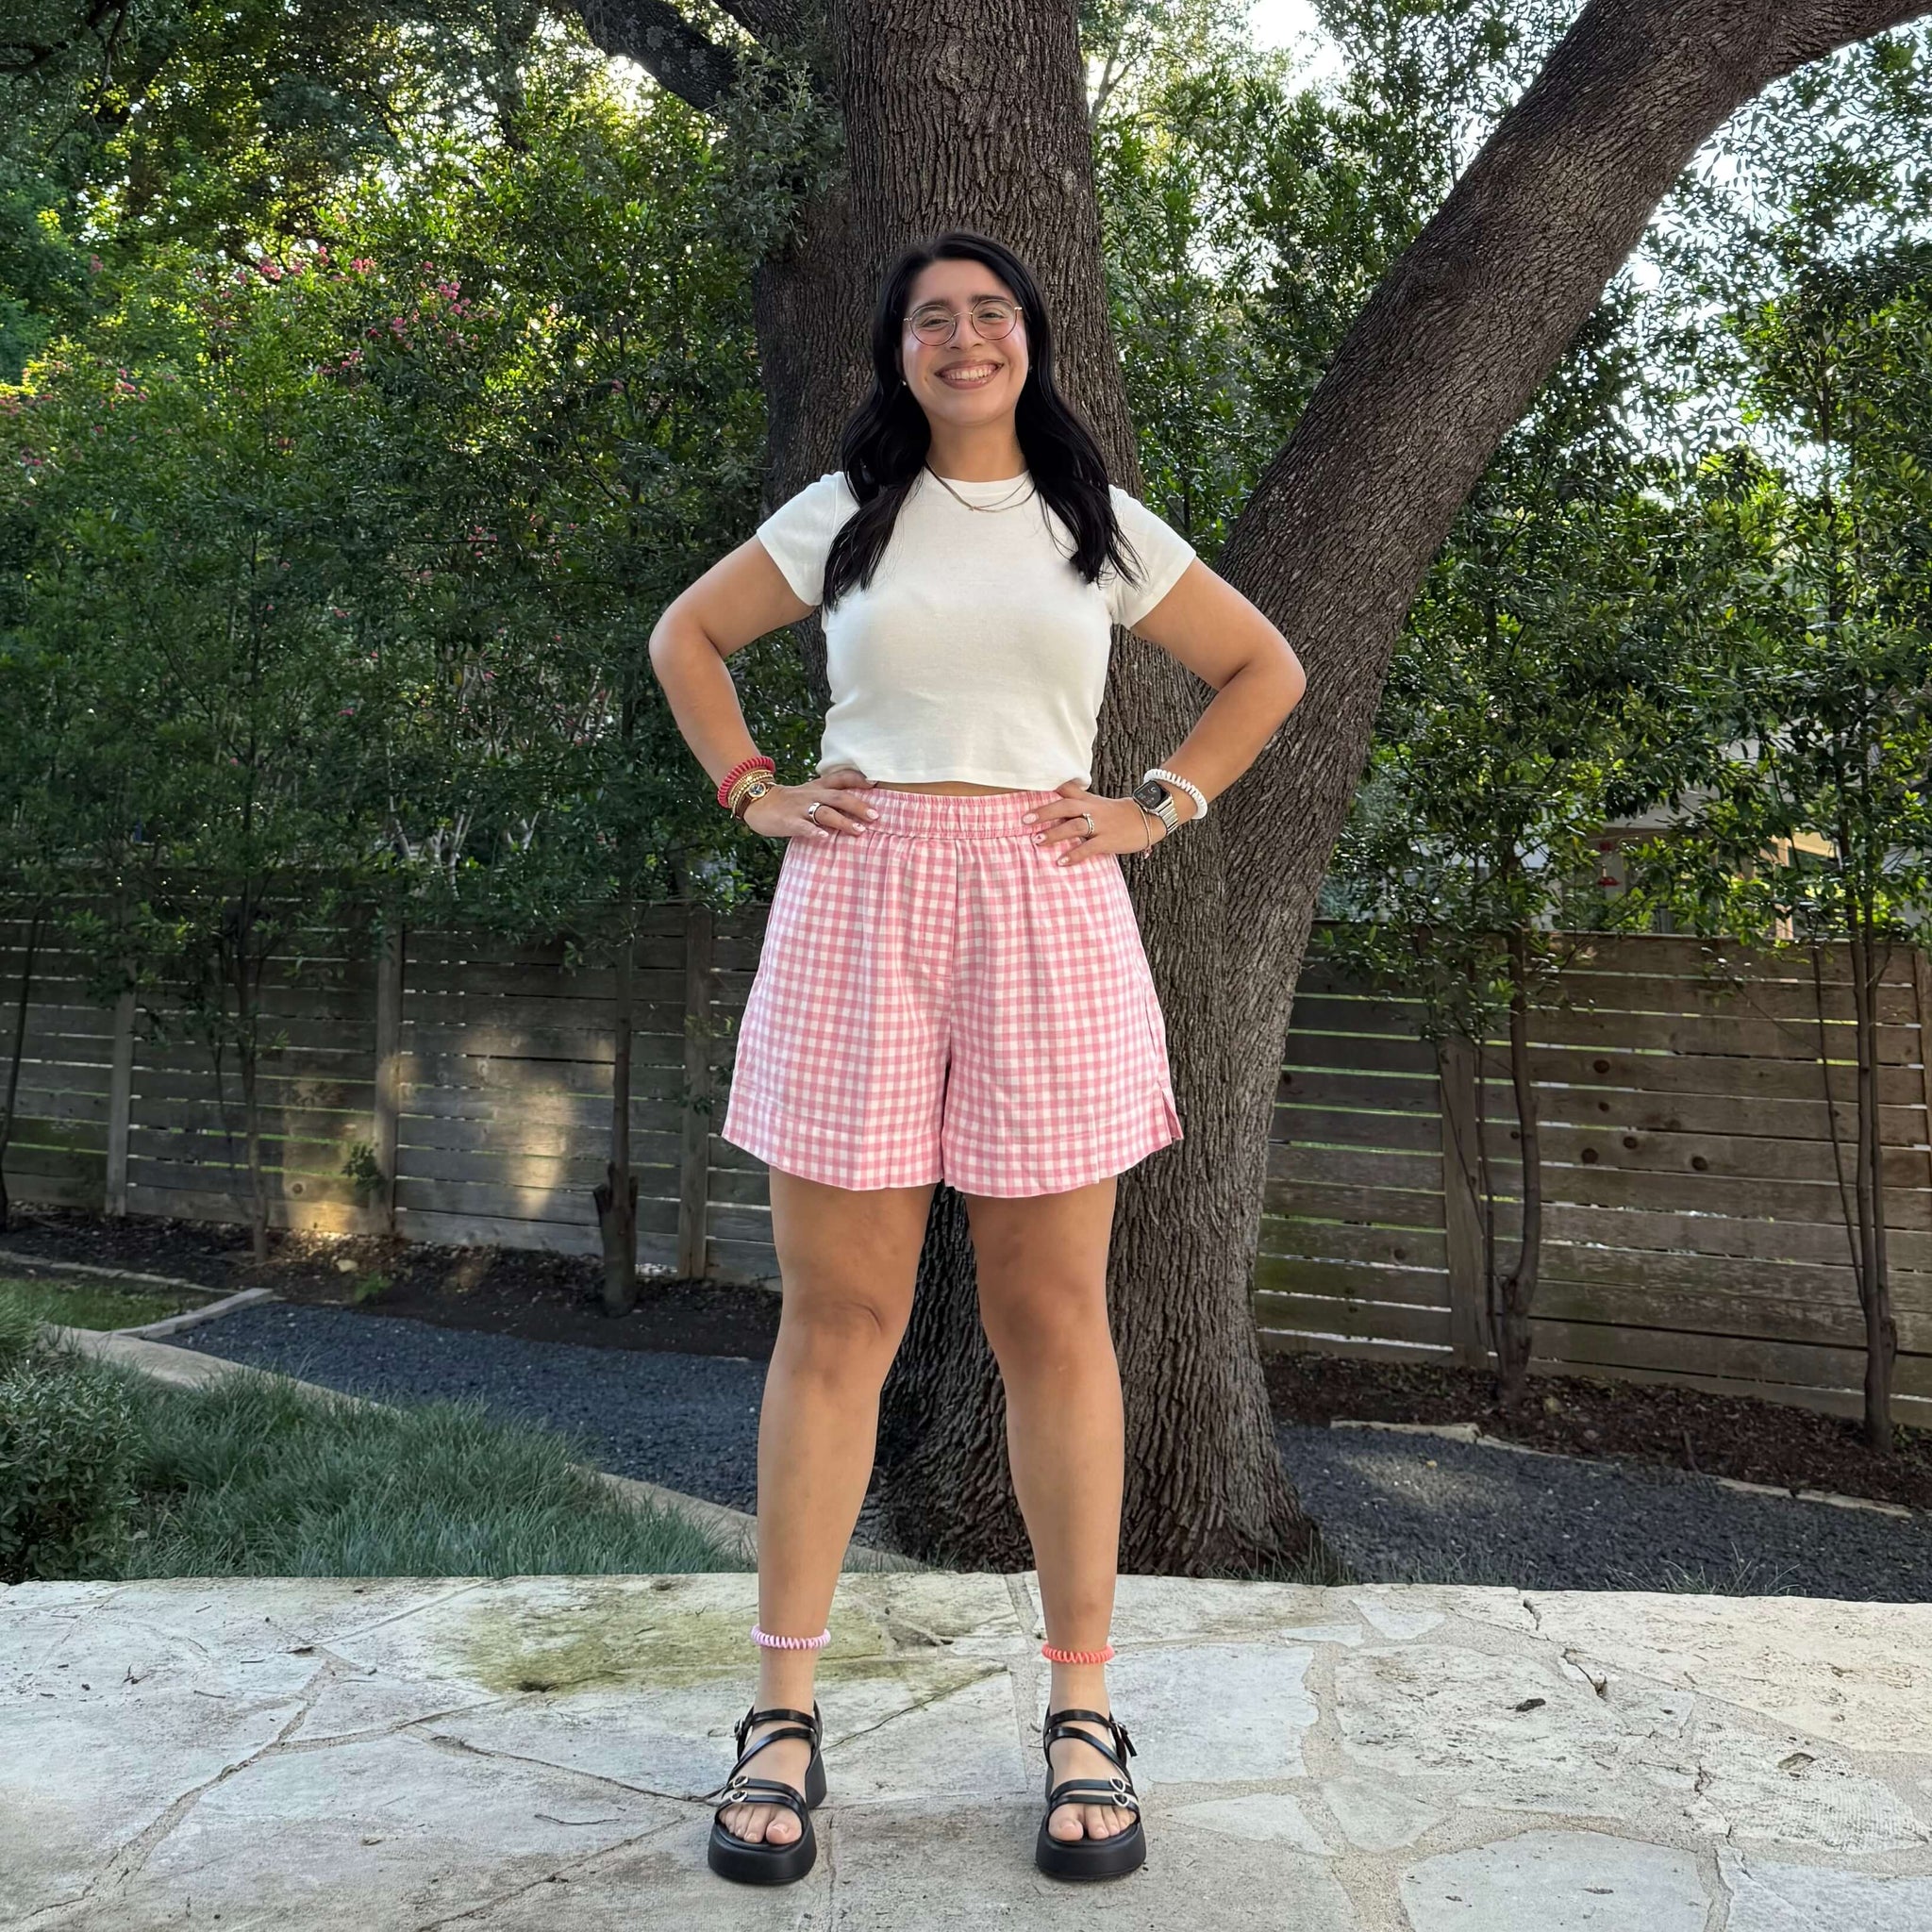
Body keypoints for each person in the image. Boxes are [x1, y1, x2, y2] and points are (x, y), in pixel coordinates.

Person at [647, 227, 1306, 1888]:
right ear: (897, 351)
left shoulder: (1095, 522)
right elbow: (686, 640)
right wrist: (753, 788)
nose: (962, 338)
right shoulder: (847, 515)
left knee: (1054, 1319)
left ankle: (1084, 1714)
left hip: (1046, 906)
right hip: (860, 904)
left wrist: (1158, 805)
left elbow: (1264, 669)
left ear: (1030, 339)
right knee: (838, 1323)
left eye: (989, 312)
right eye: (931, 317)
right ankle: (781, 1717)